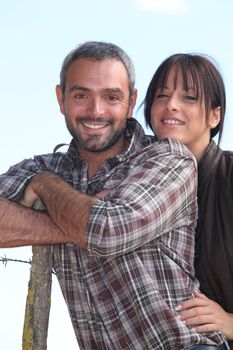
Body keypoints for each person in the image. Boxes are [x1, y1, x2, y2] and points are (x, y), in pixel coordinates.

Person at [0, 42, 226, 349]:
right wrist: (78, 221)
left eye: (111, 97)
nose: (96, 110)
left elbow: (107, 234)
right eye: (81, 95)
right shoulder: (44, 166)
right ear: (61, 99)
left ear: (131, 101)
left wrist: (45, 189)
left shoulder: (168, 159)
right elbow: (99, 229)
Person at [142, 52, 233, 349]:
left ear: (214, 116)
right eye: (162, 95)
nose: (171, 105)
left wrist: (230, 322)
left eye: (190, 97)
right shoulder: (135, 182)